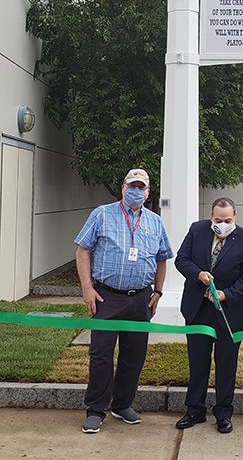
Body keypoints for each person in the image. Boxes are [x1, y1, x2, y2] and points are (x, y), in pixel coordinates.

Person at [75, 168, 173, 434]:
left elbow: (162, 257)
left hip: (141, 299)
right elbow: (83, 250)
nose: (137, 191)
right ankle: (96, 410)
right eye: (133, 186)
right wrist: (86, 288)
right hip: (107, 297)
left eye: (142, 187)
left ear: (148, 192)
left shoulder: (154, 222)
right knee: (101, 355)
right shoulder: (102, 214)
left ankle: (122, 404)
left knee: (134, 356)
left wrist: (158, 292)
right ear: (123, 188)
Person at [175, 197, 243, 434]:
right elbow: (181, 260)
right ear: (211, 216)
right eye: (218, 220)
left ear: (235, 217)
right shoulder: (197, 230)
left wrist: (226, 294)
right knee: (197, 362)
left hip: (229, 312)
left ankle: (223, 413)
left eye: (227, 220)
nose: (222, 224)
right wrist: (198, 274)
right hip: (197, 308)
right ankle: (194, 410)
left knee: (226, 363)